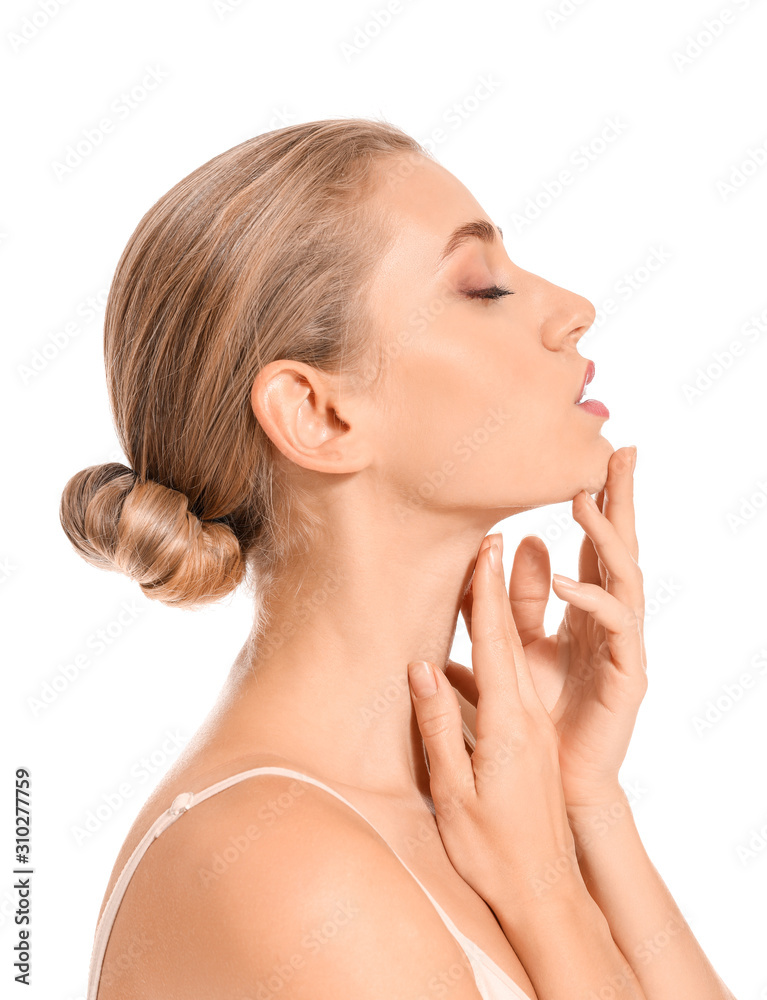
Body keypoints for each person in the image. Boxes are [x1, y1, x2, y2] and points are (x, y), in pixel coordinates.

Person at [60, 118, 735, 999]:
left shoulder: (496, 801)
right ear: (318, 414)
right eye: (483, 287)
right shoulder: (277, 865)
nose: (573, 308)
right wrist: (549, 897)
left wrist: (585, 801)